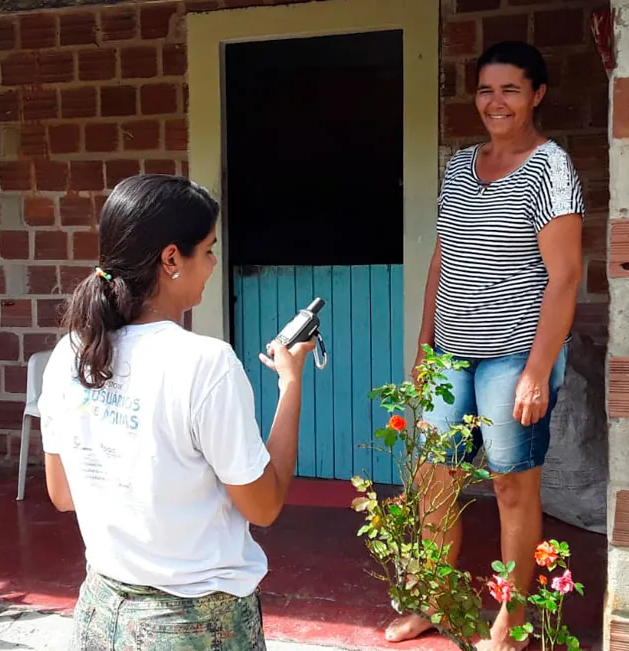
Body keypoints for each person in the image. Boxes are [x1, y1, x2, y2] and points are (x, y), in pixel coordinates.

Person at [38, 174, 315, 651]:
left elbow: (62, 494)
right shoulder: (205, 364)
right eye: (207, 249)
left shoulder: (70, 354)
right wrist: (291, 384)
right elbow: (264, 505)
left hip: (101, 615)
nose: (212, 264)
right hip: (195, 628)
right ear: (171, 259)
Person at [384, 41, 584, 650]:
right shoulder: (460, 166)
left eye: (511, 90)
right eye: (486, 90)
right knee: (434, 478)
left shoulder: (551, 168)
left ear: (537, 95)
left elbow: (566, 275)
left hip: (513, 353)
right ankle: (436, 600)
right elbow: (443, 259)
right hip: (451, 352)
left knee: (510, 483)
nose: (495, 103)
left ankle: (513, 618)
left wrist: (537, 369)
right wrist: (424, 346)